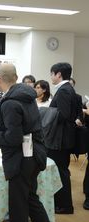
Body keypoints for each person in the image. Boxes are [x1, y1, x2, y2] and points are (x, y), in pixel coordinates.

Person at [0, 64, 50, 222]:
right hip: (35, 153)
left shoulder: (10, 102)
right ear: (16, 77)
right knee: (30, 198)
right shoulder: (28, 97)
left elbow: (13, 138)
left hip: (20, 159)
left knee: (18, 204)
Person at [48, 62, 77, 214]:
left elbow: (64, 114)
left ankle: (65, 205)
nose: (51, 77)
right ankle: (61, 203)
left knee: (61, 171)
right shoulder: (67, 89)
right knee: (60, 170)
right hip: (62, 137)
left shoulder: (64, 90)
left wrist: (47, 115)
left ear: (59, 74)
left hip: (60, 138)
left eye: (52, 74)